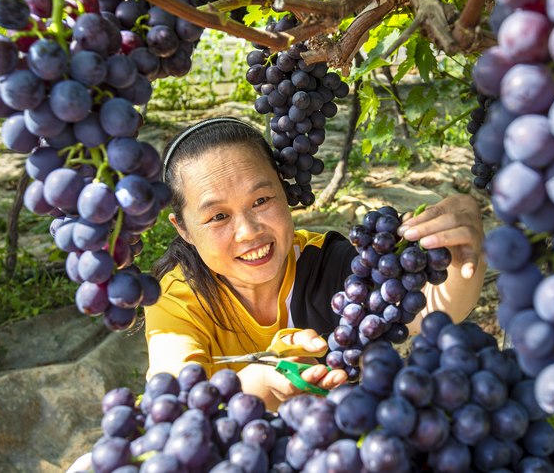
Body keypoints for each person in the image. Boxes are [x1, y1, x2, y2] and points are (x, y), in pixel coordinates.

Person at [145, 116, 487, 409]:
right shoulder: (177, 299)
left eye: (261, 200)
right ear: (184, 229)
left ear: (285, 192)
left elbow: (433, 309)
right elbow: (178, 404)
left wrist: (460, 254)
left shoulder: (327, 263)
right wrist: (260, 385)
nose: (248, 231)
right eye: (218, 216)